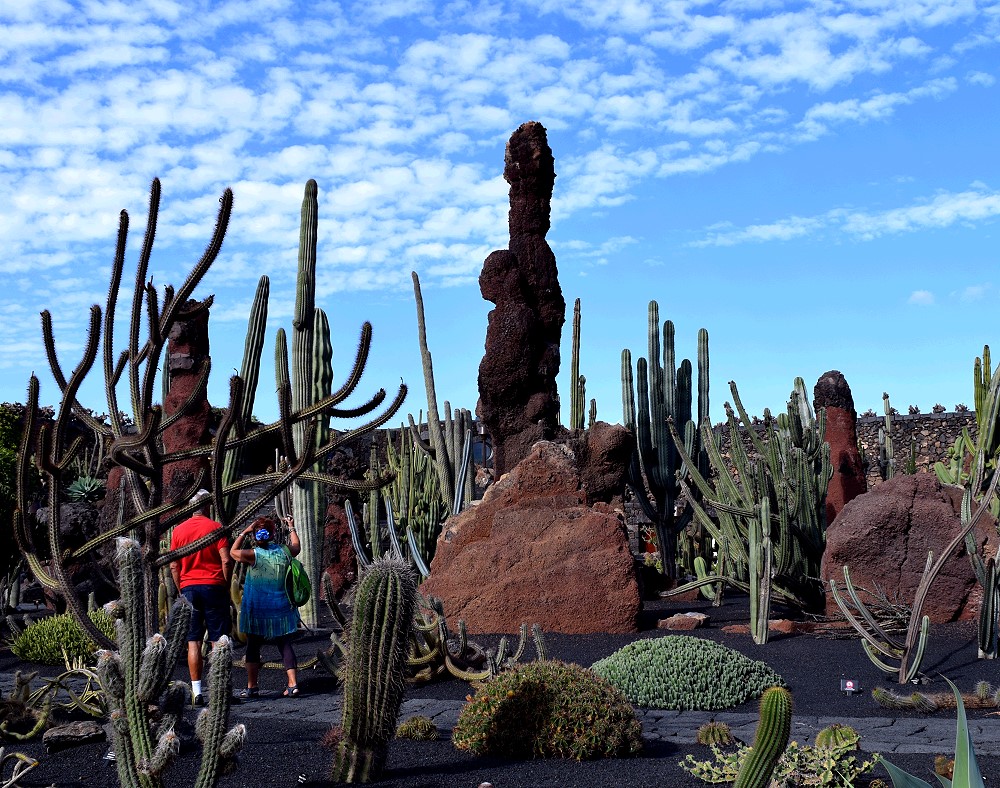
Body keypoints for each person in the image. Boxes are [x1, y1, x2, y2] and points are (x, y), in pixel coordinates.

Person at [169, 489, 234, 707]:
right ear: (208, 506)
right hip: (214, 586)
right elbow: (226, 560)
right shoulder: (216, 528)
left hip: (189, 588)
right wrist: (225, 584)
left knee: (193, 641)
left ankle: (197, 692)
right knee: (218, 639)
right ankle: (218, 690)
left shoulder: (178, 531)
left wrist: (180, 588)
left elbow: (173, 564)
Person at [230, 514, 301, 698]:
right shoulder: (284, 551)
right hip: (281, 608)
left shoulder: (253, 555)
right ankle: (293, 684)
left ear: (255, 535)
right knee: (284, 644)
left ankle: (252, 687)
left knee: (253, 646)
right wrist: (291, 526)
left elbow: (232, 552)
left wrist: (244, 533)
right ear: (272, 534)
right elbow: (297, 547)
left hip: (257, 609)